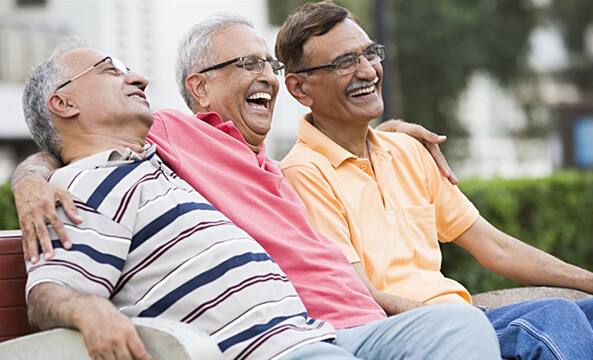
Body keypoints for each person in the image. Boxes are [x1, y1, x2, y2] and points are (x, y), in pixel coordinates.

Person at [13, 16, 501, 360]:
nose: (137, 76)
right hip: (271, 351)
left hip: (320, 336)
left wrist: (383, 135)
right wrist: (31, 183)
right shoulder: (87, 183)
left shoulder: (162, 164)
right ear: (64, 102)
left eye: (268, 64)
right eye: (111, 71)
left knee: (457, 325)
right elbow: (49, 290)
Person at [275, 1, 593, 359]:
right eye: (344, 62)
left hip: (464, 321)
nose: (368, 71)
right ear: (300, 88)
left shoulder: (408, 150)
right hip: (418, 336)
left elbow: (496, 249)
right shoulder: (304, 173)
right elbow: (360, 293)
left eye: (370, 54)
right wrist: (462, 324)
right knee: (554, 319)